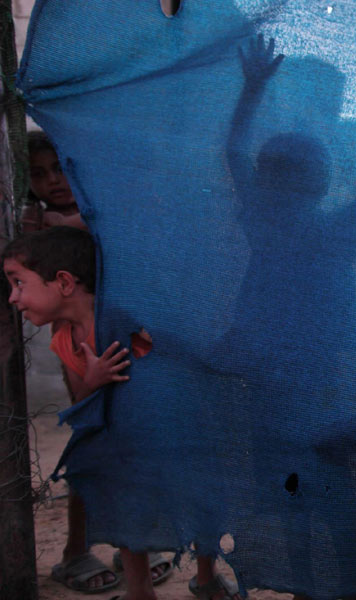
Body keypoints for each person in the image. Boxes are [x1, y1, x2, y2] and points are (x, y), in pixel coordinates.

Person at [0, 227, 176, 598]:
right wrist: (94, 377)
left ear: (63, 282)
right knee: (124, 507)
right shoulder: (63, 339)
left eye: (18, 283)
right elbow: (81, 396)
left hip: (167, 435)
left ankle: (205, 576)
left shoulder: (123, 317)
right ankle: (140, 590)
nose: (13, 297)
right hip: (124, 446)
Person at [22, 131, 87, 231]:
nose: (53, 180)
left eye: (61, 169)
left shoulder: (108, 210)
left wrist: (64, 223)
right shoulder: (33, 223)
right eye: (37, 174)